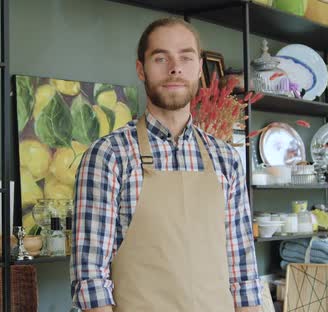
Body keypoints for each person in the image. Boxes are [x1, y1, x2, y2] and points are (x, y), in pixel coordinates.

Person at [71, 17, 261, 312]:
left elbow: (243, 271)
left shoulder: (227, 160)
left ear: (199, 68)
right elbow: (90, 276)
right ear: (141, 69)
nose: (175, 68)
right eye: (161, 58)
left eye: (185, 57)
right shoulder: (108, 156)